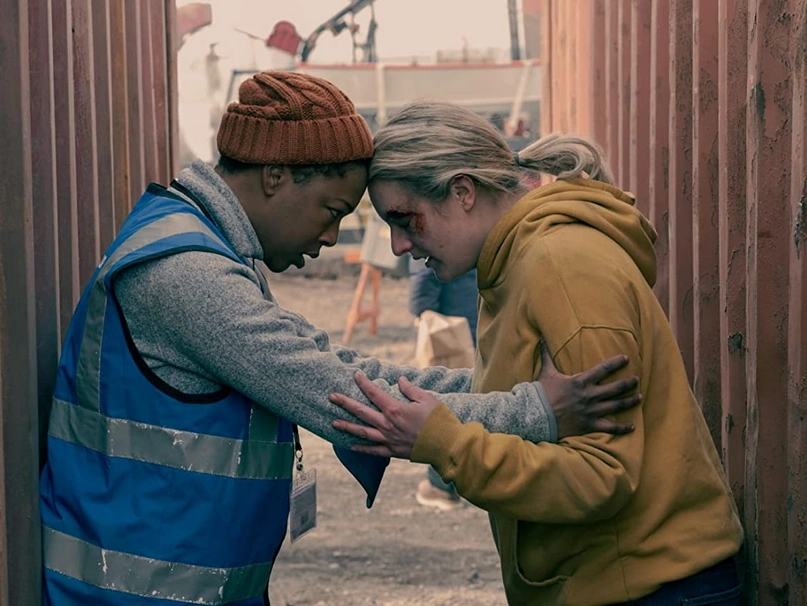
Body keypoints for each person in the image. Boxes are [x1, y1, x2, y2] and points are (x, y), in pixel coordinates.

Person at [38, 73, 642, 606]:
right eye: (331, 211)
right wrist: (535, 410)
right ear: (276, 177)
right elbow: (345, 395)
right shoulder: (187, 277)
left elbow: (345, 367)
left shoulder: (203, 249)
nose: (331, 238)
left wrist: (501, 385)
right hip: (134, 591)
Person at [329, 100, 744, 605]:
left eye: (405, 220)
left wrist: (444, 444)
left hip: (655, 587)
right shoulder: (510, 264)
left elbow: (602, 476)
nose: (398, 246)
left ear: (462, 192)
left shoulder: (562, 265)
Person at [408, 257, 478, 510]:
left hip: (450, 328)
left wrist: (421, 314)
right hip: (478, 320)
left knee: (446, 405)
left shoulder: (429, 235)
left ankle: (440, 485)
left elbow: (424, 273)